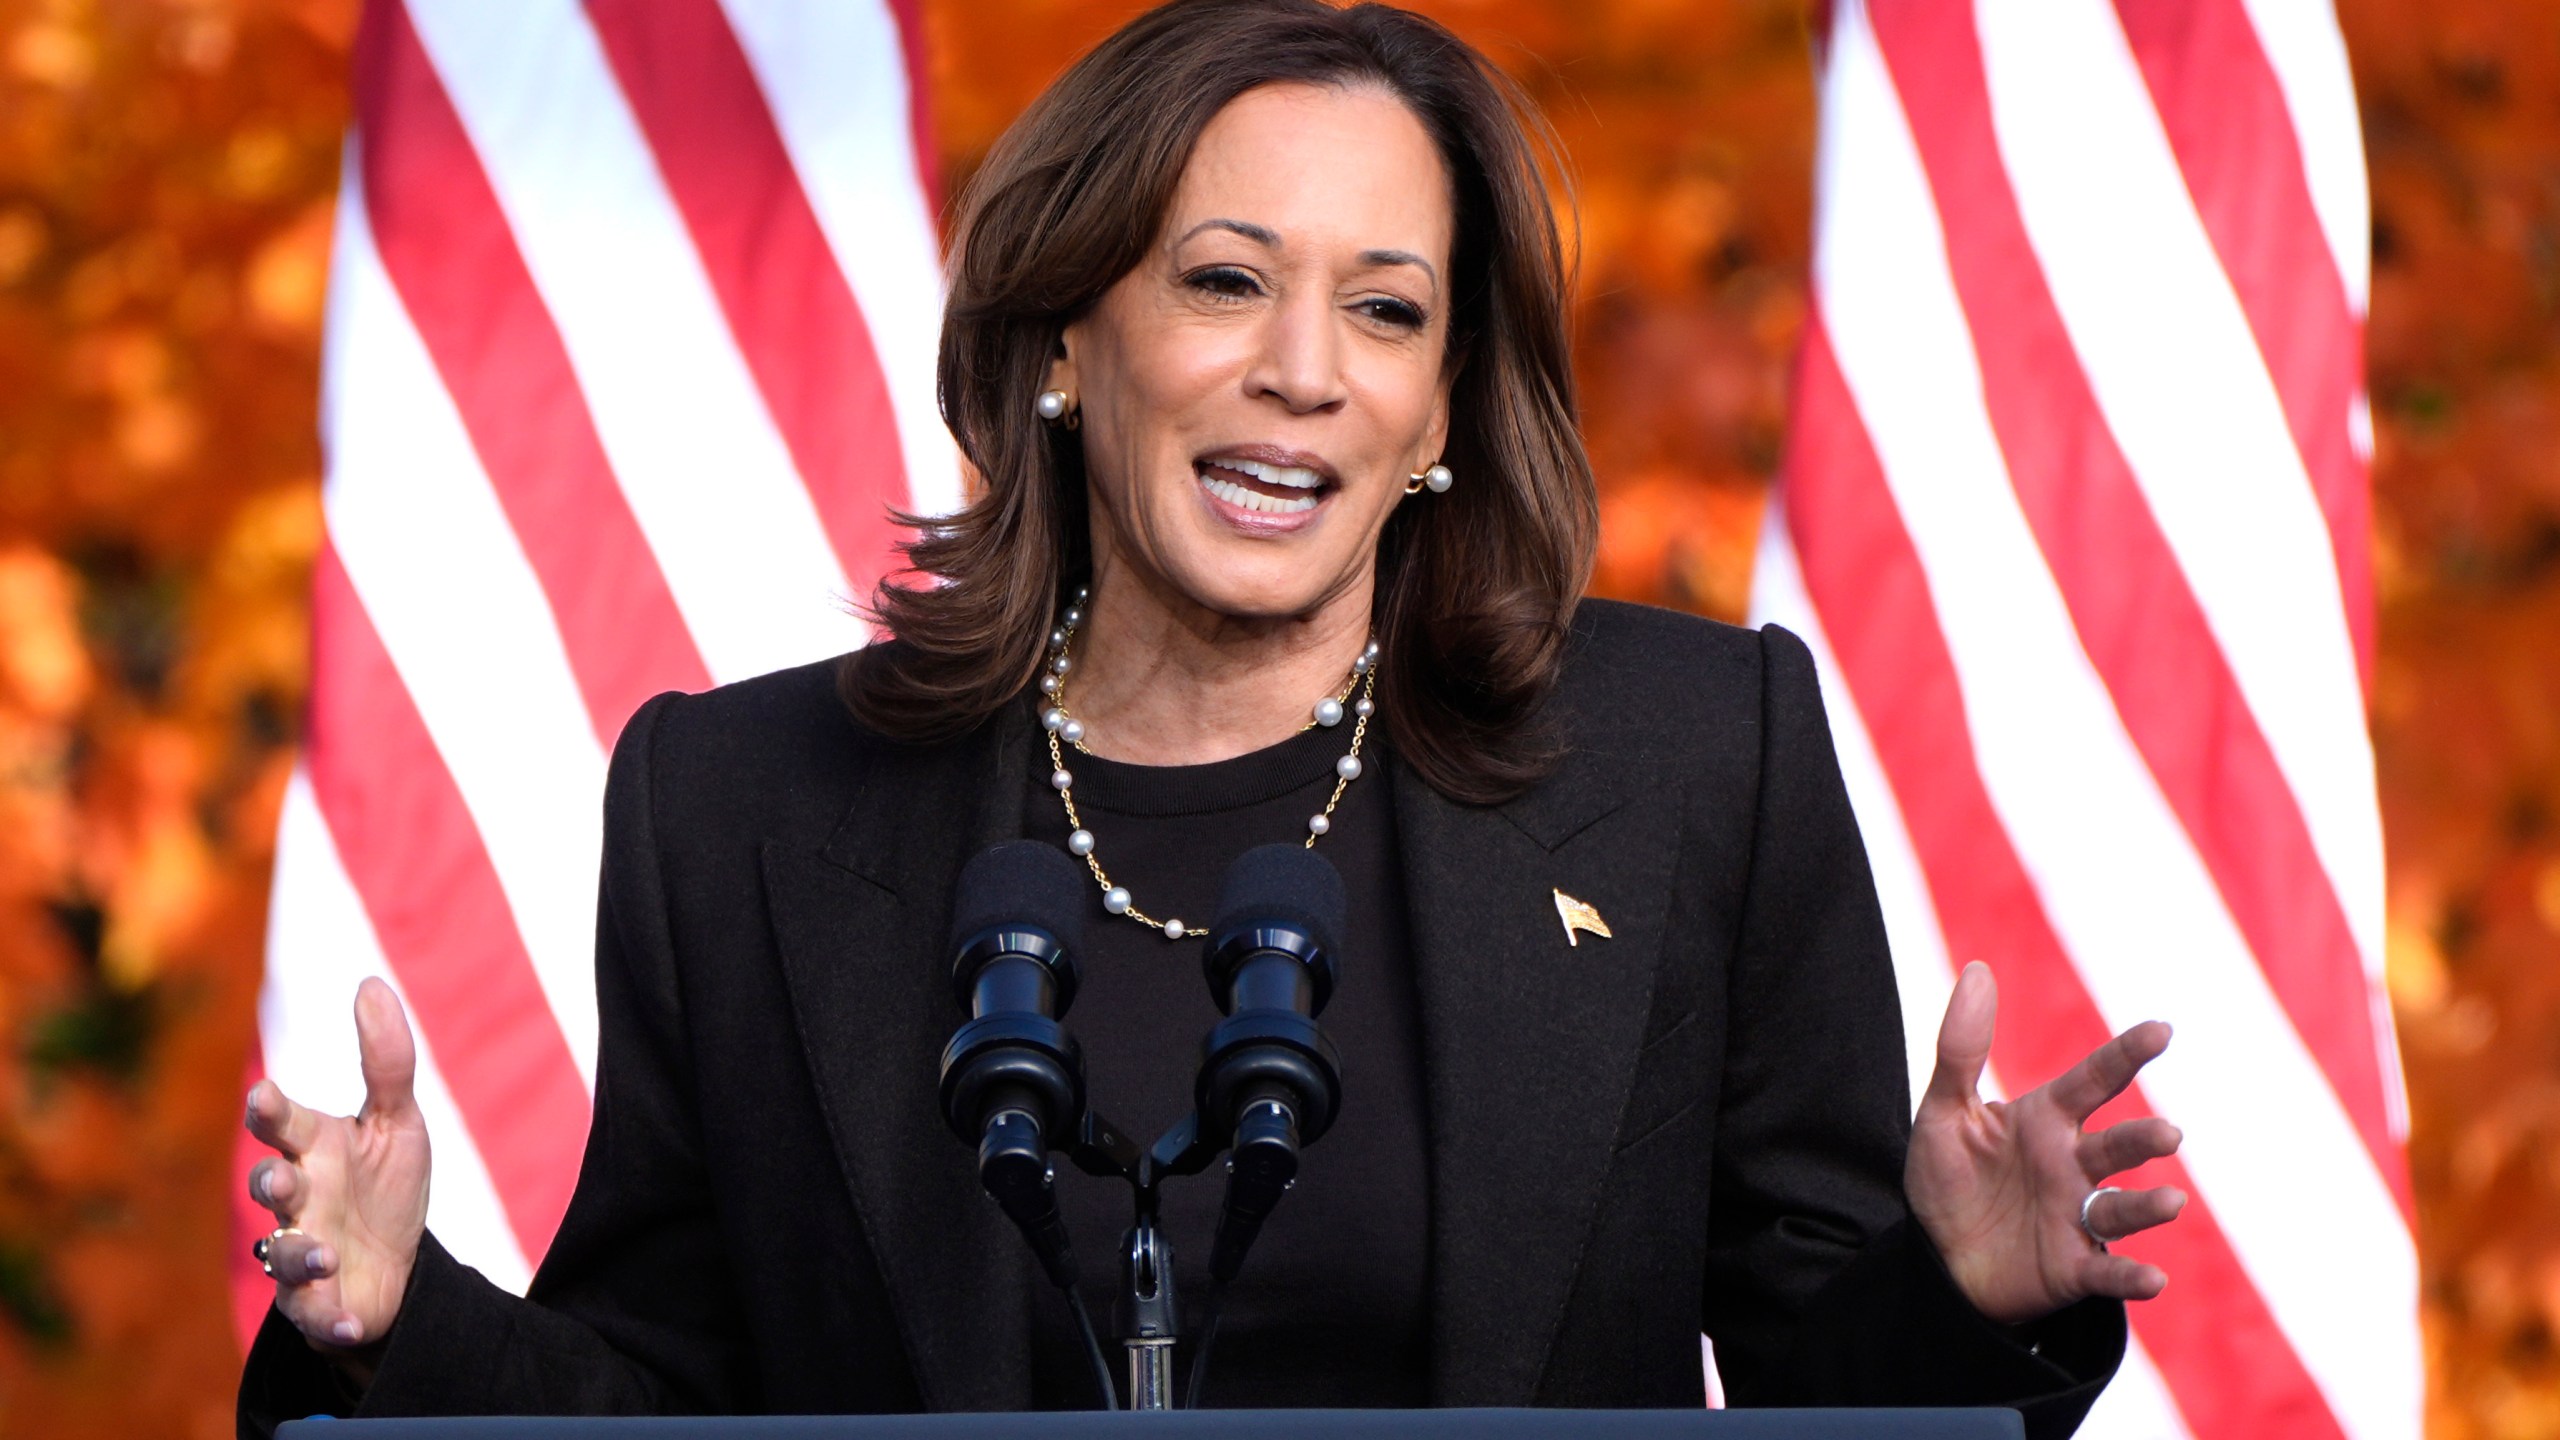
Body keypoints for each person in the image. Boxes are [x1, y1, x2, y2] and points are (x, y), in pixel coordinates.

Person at [238, 2, 2187, 1435]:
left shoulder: (1696, 758)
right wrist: (393, 1319)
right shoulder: (741, 806)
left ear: (1439, 411)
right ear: (1070, 340)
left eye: (1384, 312)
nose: (1299, 375)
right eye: (1224, 280)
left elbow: (1813, 1405)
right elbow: (670, 1402)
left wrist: (1962, 1299)